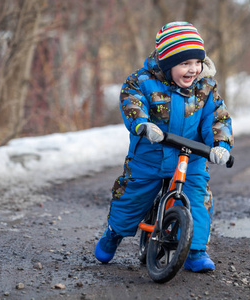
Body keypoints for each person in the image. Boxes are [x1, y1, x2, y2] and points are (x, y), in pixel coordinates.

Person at [94, 21, 234, 272]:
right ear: (168, 63)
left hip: (190, 158)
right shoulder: (143, 82)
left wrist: (220, 143)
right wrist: (142, 124)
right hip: (151, 154)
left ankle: (195, 250)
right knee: (133, 196)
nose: (193, 70)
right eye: (185, 64)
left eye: (197, 62)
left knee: (198, 198)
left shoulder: (205, 88)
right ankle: (114, 232)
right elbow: (131, 100)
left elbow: (217, 117)